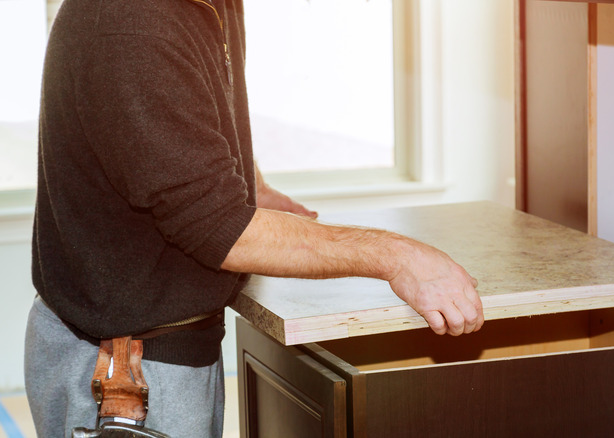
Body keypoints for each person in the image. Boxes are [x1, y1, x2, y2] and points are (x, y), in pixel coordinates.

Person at [25, 0, 484, 437]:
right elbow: (221, 230)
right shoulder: (133, 28)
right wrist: (399, 257)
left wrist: (252, 184)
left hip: (159, 347)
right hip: (122, 371)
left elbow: (193, 109)